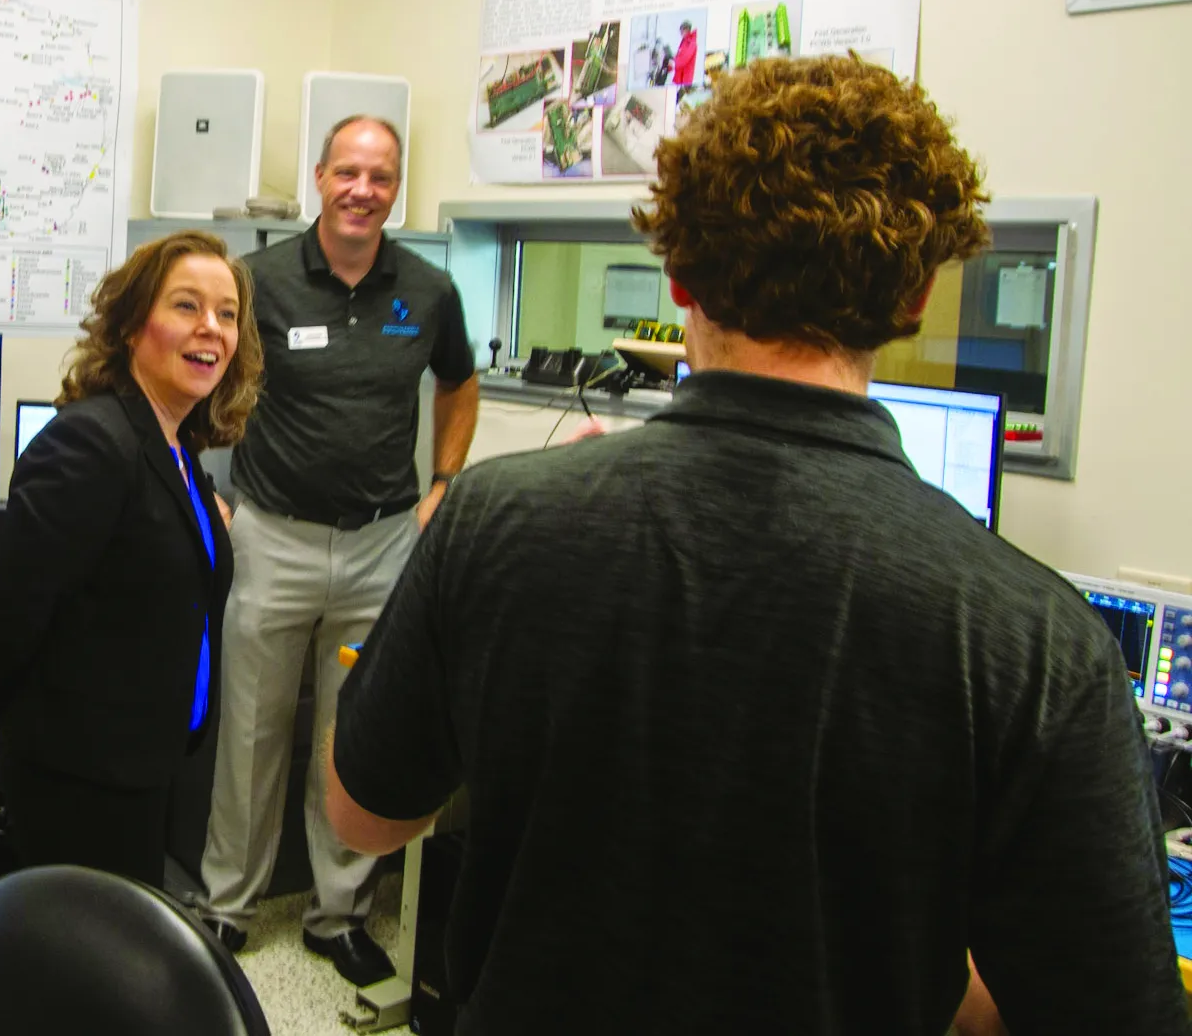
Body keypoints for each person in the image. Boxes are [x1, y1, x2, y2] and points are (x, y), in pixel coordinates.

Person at [325, 55, 1191, 1035]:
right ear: (912, 300)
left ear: (679, 274)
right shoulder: (1037, 640)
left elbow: (365, 815)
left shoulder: (496, 520)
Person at [195, 114, 480, 986]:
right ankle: (227, 910)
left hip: (382, 546)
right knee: (250, 731)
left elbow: (459, 383)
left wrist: (441, 486)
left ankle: (339, 914)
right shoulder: (260, 280)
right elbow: (204, 375)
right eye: (348, 172)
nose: (363, 190)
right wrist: (211, 495)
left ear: (397, 188)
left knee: (351, 734)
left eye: (381, 177)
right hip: (273, 537)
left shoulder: (429, 291)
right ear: (320, 177)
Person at [0, 230, 262, 888]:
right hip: (83, 774)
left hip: (143, 759)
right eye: (186, 306)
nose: (212, 328)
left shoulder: (176, 444)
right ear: (130, 327)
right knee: (82, 967)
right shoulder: (91, 442)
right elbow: (15, 596)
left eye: (227, 314)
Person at [672, 20, 698, 86]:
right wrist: (672, 58)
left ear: (687, 29)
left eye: (682, 31)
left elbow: (684, 60)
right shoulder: (684, 42)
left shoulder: (692, 43)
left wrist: (673, 64)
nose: (680, 33)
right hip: (678, 79)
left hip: (684, 81)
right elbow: (679, 56)